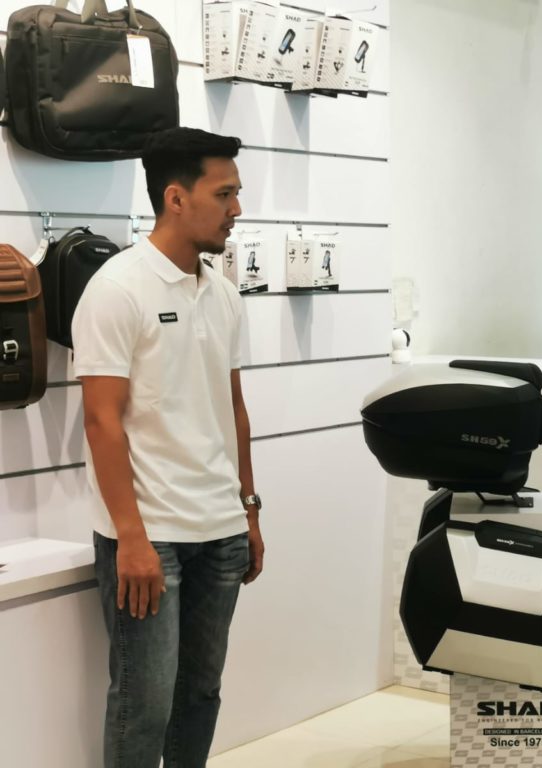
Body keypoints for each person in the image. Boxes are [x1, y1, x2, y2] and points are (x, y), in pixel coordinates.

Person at [72, 127, 265, 768]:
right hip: (150, 537)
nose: (237, 209)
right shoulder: (117, 289)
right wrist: (130, 538)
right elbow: (101, 421)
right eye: (225, 193)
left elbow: (233, 410)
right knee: (143, 706)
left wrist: (249, 509)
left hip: (221, 530)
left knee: (200, 696)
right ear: (176, 198)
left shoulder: (224, 293)